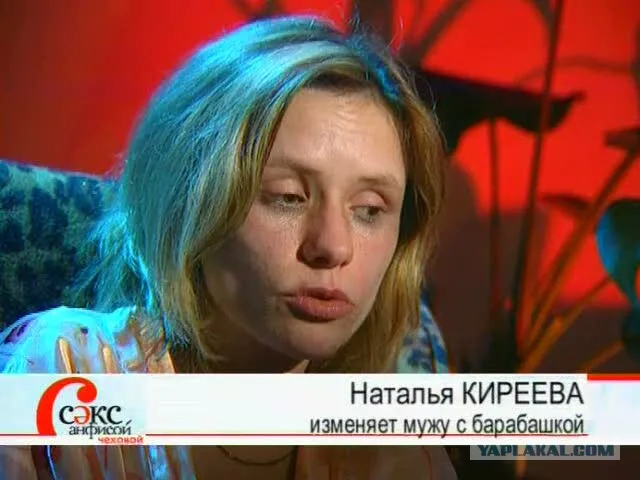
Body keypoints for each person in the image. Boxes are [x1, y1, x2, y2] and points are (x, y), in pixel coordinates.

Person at [0, 15, 456, 479]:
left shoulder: (396, 445)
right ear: (189, 203)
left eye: (370, 210)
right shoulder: (67, 371)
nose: (333, 246)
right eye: (288, 197)